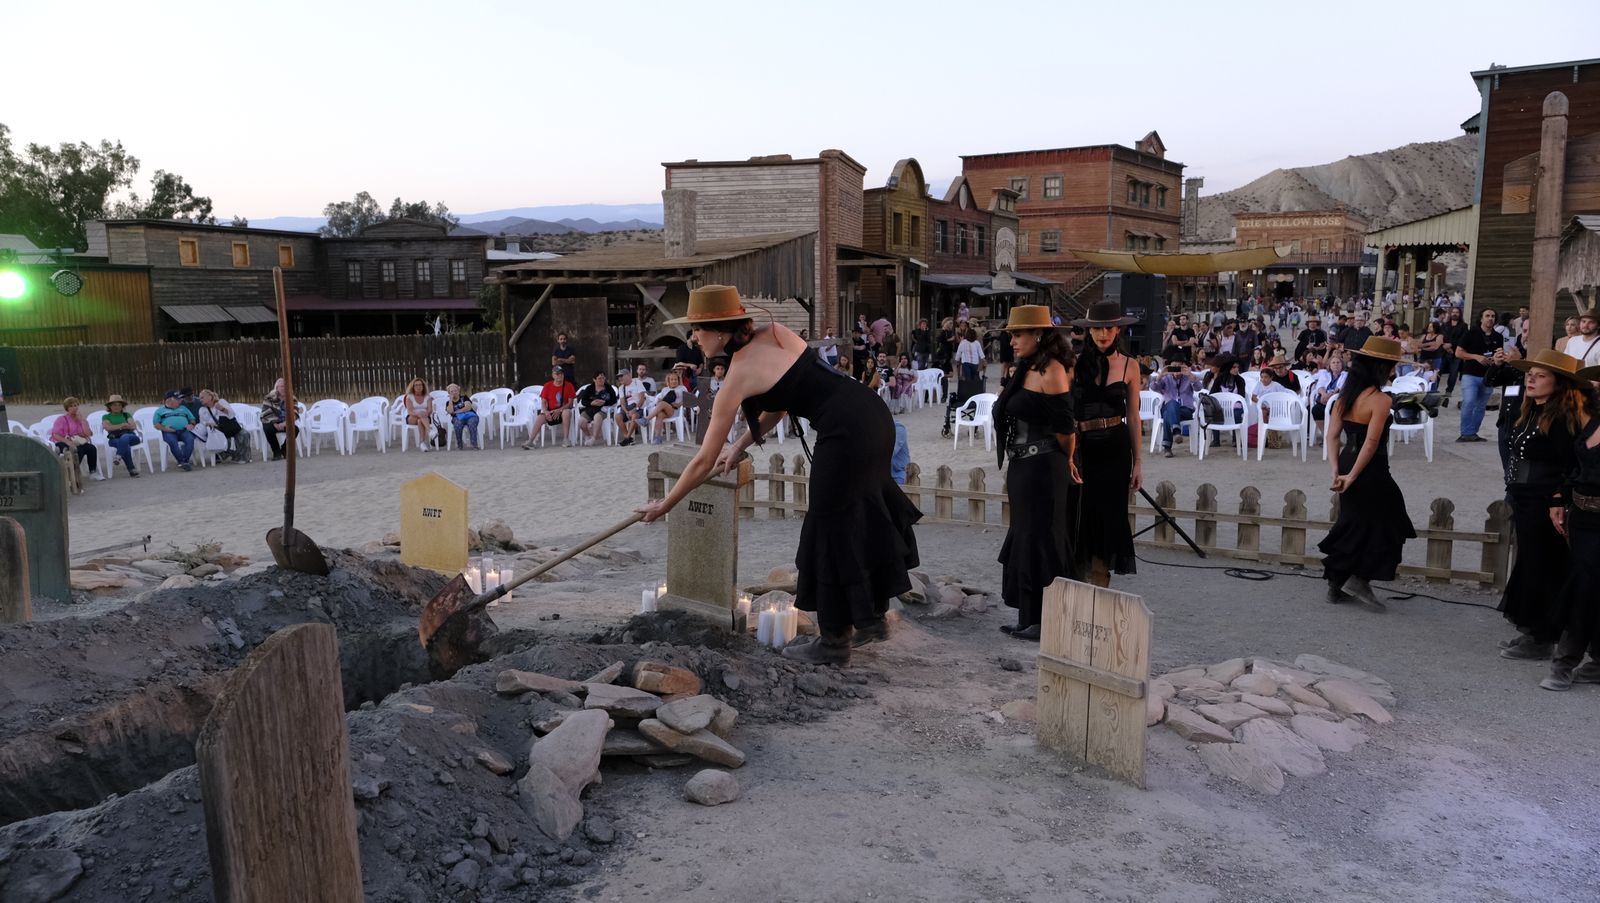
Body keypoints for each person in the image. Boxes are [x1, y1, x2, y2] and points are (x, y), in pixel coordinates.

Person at [636, 285, 920, 664]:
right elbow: (785, 401)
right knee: (859, 518)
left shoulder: (737, 376)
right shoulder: (775, 333)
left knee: (829, 527)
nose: (692, 338)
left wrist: (667, 504)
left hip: (846, 430)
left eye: (697, 330)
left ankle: (834, 643)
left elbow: (703, 460)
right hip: (871, 415)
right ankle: (870, 622)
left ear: (719, 331)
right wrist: (738, 447)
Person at [993, 305, 1078, 641]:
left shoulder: (1053, 370)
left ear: (1039, 335)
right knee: (1026, 538)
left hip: (1044, 468)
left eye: (1018, 334)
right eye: (1012, 334)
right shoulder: (1027, 367)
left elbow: (1064, 427)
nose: (1012, 341)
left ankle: (1048, 620)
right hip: (1022, 468)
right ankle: (1028, 617)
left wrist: (1068, 459)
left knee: (1043, 539)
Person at [1497, 350, 1587, 661]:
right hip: (1524, 495)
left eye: (1541, 375)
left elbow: (1569, 464)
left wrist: (1558, 498)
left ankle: (1543, 636)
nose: (1531, 379)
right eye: (1529, 374)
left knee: (1544, 565)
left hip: (1545, 499)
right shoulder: (1531, 411)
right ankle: (1534, 630)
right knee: (1531, 563)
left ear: (1558, 383)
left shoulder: (1562, 418)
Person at [1318, 337, 1416, 610]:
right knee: (1391, 523)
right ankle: (1358, 579)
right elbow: (1372, 444)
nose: (1394, 371)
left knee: (1353, 523)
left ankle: (1336, 584)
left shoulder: (1344, 397)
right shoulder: (1380, 400)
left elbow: (1332, 436)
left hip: (1349, 461)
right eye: (1392, 366)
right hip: (1369, 467)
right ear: (1381, 368)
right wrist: (1352, 476)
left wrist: (1338, 471)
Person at [1068, 301, 1142, 586]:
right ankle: (1077, 574)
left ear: (1118, 329)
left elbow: (1134, 417)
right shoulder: (1073, 363)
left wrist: (1139, 462)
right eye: (1097, 328)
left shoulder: (1130, 365)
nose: (1103, 333)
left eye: (1109, 327)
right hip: (1081, 448)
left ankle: (1101, 578)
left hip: (1115, 447)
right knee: (1080, 511)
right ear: (1089, 330)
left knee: (1110, 513)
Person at [1544, 361, 1600, 690]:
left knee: (1586, 583)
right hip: (1581, 517)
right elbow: (1575, 467)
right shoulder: (1590, 422)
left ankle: (1565, 660)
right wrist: (1557, 499)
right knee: (1587, 583)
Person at [1454, 307, 1500, 442]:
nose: (1490, 318)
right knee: (1469, 402)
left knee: (1481, 406)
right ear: (1481, 318)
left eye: (1493, 316)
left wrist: (1496, 359)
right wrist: (1476, 357)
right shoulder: (1470, 333)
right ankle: (1465, 432)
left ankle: (1473, 432)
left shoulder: (1498, 336)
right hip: (1470, 374)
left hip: (1488, 375)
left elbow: (1499, 353)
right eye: (1487, 316)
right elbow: (1458, 353)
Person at [1150, 360, 1202, 457]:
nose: (1177, 368)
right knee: (1172, 404)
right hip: (1168, 407)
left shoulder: (1188, 378)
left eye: (1180, 366)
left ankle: (1167, 447)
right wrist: (1160, 375)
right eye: (1174, 366)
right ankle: (1176, 431)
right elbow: (1154, 387)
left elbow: (1199, 387)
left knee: (1167, 414)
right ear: (1170, 367)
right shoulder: (1166, 378)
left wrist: (1190, 375)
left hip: (1185, 410)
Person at [50, 397, 102, 481]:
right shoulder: (61, 419)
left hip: (78, 441)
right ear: (67, 408)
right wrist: (67, 441)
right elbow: (55, 435)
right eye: (71, 406)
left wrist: (82, 421)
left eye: (76, 405)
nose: (75, 408)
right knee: (78, 450)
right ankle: (72, 472)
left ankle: (93, 472)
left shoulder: (80, 419)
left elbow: (88, 434)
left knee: (91, 448)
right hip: (63, 441)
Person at [525, 367, 577, 449]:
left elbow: (570, 404)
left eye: (561, 373)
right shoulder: (547, 385)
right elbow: (543, 402)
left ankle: (566, 439)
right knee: (540, 417)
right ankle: (531, 441)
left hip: (562, 411)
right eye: (557, 374)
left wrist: (559, 410)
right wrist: (545, 411)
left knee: (567, 412)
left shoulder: (569, 385)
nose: (559, 375)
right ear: (553, 375)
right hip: (550, 412)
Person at [153, 389, 199, 471]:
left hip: (184, 430)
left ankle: (183, 462)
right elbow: (156, 424)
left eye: (180, 398)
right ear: (169, 400)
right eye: (178, 399)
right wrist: (165, 428)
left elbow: (192, 419)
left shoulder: (183, 408)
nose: (181, 400)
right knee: (172, 442)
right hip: (169, 432)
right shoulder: (160, 411)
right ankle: (183, 462)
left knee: (190, 439)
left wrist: (191, 424)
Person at [194, 389, 241, 463]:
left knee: (243, 433)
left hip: (227, 427)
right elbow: (202, 422)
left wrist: (222, 409)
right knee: (213, 433)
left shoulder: (221, 402)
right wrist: (208, 424)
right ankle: (222, 454)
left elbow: (231, 414)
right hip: (214, 430)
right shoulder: (202, 410)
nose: (200, 400)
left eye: (202, 397)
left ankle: (236, 455)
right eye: (200, 398)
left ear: (209, 397)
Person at [101, 394, 142, 477]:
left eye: (119, 405)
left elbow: (133, 426)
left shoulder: (126, 415)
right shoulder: (106, 416)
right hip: (114, 438)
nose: (117, 407)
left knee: (125, 437)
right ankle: (132, 470)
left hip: (131, 437)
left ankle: (118, 455)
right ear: (110, 406)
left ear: (122, 406)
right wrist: (122, 425)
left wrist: (116, 427)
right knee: (125, 445)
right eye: (114, 405)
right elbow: (107, 428)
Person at [575, 371, 618, 446]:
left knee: (597, 417)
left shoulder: (608, 388)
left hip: (604, 409)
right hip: (591, 408)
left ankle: (594, 438)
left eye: (603, 378)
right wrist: (592, 403)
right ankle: (588, 435)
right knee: (581, 421)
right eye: (599, 378)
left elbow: (614, 400)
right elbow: (583, 401)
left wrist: (604, 402)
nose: (602, 380)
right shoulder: (590, 388)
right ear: (594, 380)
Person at [645, 369, 687, 444]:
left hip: (676, 411)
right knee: (659, 414)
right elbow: (658, 401)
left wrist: (679, 404)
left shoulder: (682, 388)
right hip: (665, 411)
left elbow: (688, 399)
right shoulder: (665, 389)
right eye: (672, 379)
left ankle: (647, 419)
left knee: (662, 403)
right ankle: (658, 437)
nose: (674, 381)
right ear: (668, 381)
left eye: (675, 379)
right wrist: (661, 402)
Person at [613, 370, 647, 447]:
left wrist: (636, 408)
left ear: (628, 375)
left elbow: (642, 398)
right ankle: (629, 438)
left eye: (622, 376)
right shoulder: (621, 388)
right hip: (628, 409)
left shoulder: (637, 383)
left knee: (634, 416)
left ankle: (627, 438)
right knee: (617, 416)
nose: (620, 378)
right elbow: (622, 403)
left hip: (639, 408)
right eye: (619, 377)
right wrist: (626, 411)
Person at [261, 378, 292, 460]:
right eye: (282, 386)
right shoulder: (269, 398)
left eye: (286, 386)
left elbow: (295, 413)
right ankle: (276, 452)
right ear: (277, 388)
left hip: (285, 422)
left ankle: (284, 450)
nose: (284, 388)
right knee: (267, 428)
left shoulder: (291, 398)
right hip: (272, 422)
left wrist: (286, 423)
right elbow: (265, 413)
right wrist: (275, 423)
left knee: (295, 429)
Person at [402, 378, 436, 452]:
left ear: (423, 386)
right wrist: (419, 413)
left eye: (420, 385)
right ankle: (430, 431)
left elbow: (430, 410)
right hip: (412, 417)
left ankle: (422, 443)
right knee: (420, 417)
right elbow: (410, 411)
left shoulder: (427, 397)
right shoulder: (409, 397)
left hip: (425, 417)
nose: (418, 387)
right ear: (413, 387)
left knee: (420, 421)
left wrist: (424, 414)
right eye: (416, 385)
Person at [1440, 307, 1469, 394]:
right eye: (1453, 312)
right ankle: (1433, 388)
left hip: (1456, 352)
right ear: (1450, 313)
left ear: (1459, 314)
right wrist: (1445, 345)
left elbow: (1463, 339)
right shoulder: (1444, 325)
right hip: (1444, 351)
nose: (1455, 314)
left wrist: (1451, 345)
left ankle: (1449, 390)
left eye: (1457, 312)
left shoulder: (1463, 326)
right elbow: (1440, 336)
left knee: (1453, 372)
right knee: (1438, 370)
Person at [446, 384, 480, 450]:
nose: (454, 392)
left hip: (470, 415)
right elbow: (450, 411)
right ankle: (459, 445)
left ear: (458, 391)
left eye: (455, 390)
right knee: (457, 424)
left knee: (472, 423)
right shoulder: (448, 403)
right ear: (449, 393)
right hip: (457, 418)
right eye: (451, 391)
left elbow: (468, 407)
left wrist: (456, 411)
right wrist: (450, 400)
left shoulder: (464, 397)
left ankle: (474, 444)